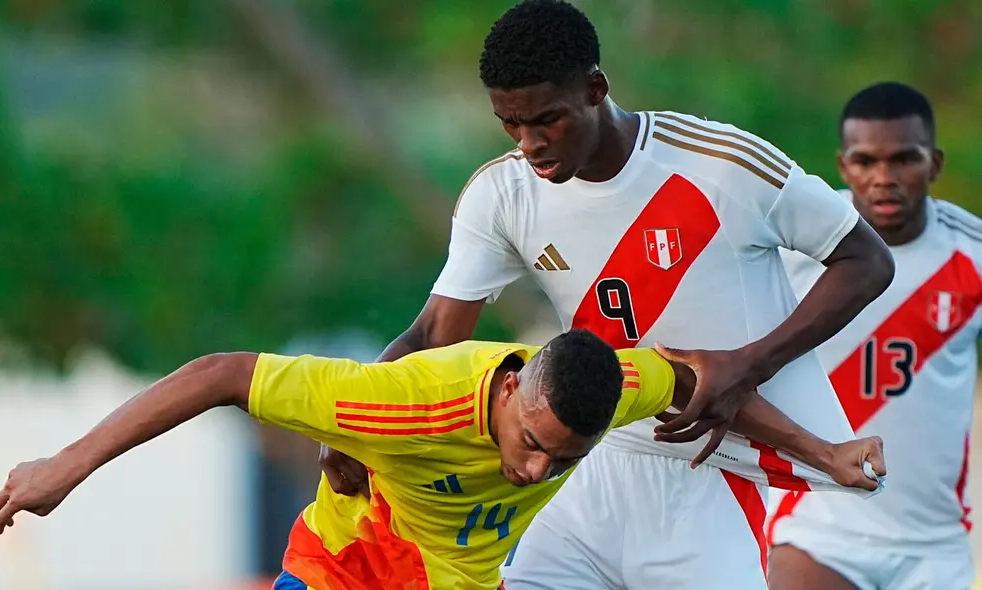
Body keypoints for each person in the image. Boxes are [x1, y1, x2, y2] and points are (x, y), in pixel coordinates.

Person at [319, 1, 895, 588]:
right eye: (511, 124)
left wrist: (750, 363)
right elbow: (433, 333)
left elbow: (868, 261)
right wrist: (355, 425)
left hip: (709, 476)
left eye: (546, 120)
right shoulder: (503, 194)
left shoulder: (721, 165)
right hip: (583, 466)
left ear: (595, 89)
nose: (529, 143)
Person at [0, 330, 883, 590]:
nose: (535, 472)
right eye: (531, 445)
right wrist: (64, 467)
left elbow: (707, 381)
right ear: (511, 391)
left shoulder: (608, 387)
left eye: (562, 460)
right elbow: (220, 373)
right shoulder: (405, 404)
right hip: (351, 566)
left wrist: (825, 452)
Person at [767, 82, 979, 590]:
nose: (884, 178)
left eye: (904, 159)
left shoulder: (971, 251)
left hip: (935, 544)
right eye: (866, 161)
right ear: (843, 167)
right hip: (815, 526)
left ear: (934, 164)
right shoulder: (796, 246)